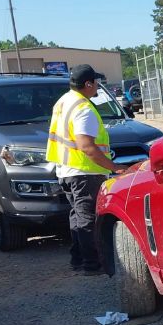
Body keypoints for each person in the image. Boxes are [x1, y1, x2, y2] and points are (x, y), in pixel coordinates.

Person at [45, 64, 125, 275]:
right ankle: (93, 263)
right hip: (84, 172)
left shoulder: (64, 101)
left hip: (66, 170)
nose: (98, 85)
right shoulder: (83, 108)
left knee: (77, 216)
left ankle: (78, 258)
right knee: (88, 218)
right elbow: (86, 145)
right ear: (88, 84)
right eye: (96, 81)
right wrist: (114, 167)